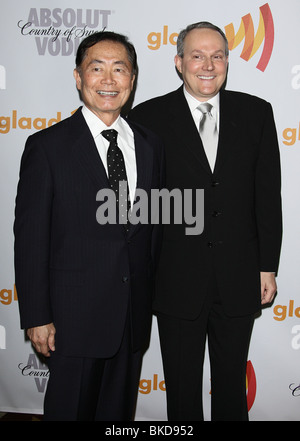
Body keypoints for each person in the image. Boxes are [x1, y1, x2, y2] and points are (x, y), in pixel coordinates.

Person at [129, 21, 282, 421]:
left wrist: (268, 265)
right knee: (180, 388)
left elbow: (267, 197)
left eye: (217, 56)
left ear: (228, 61)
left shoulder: (256, 113)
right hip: (175, 278)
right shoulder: (147, 117)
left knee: (231, 384)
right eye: (197, 56)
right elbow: (142, 206)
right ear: (179, 63)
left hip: (239, 275)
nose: (208, 65)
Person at [14, 31, 164, 421]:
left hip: (131, 321)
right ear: (79, 77)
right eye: (96, 69)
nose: (109, 80)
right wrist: (36, 315)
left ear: (133, 79)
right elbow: (30, 240)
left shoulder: (150, 145)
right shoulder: (47, 147)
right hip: (71, 320)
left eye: (120, 69)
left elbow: (149, 234)